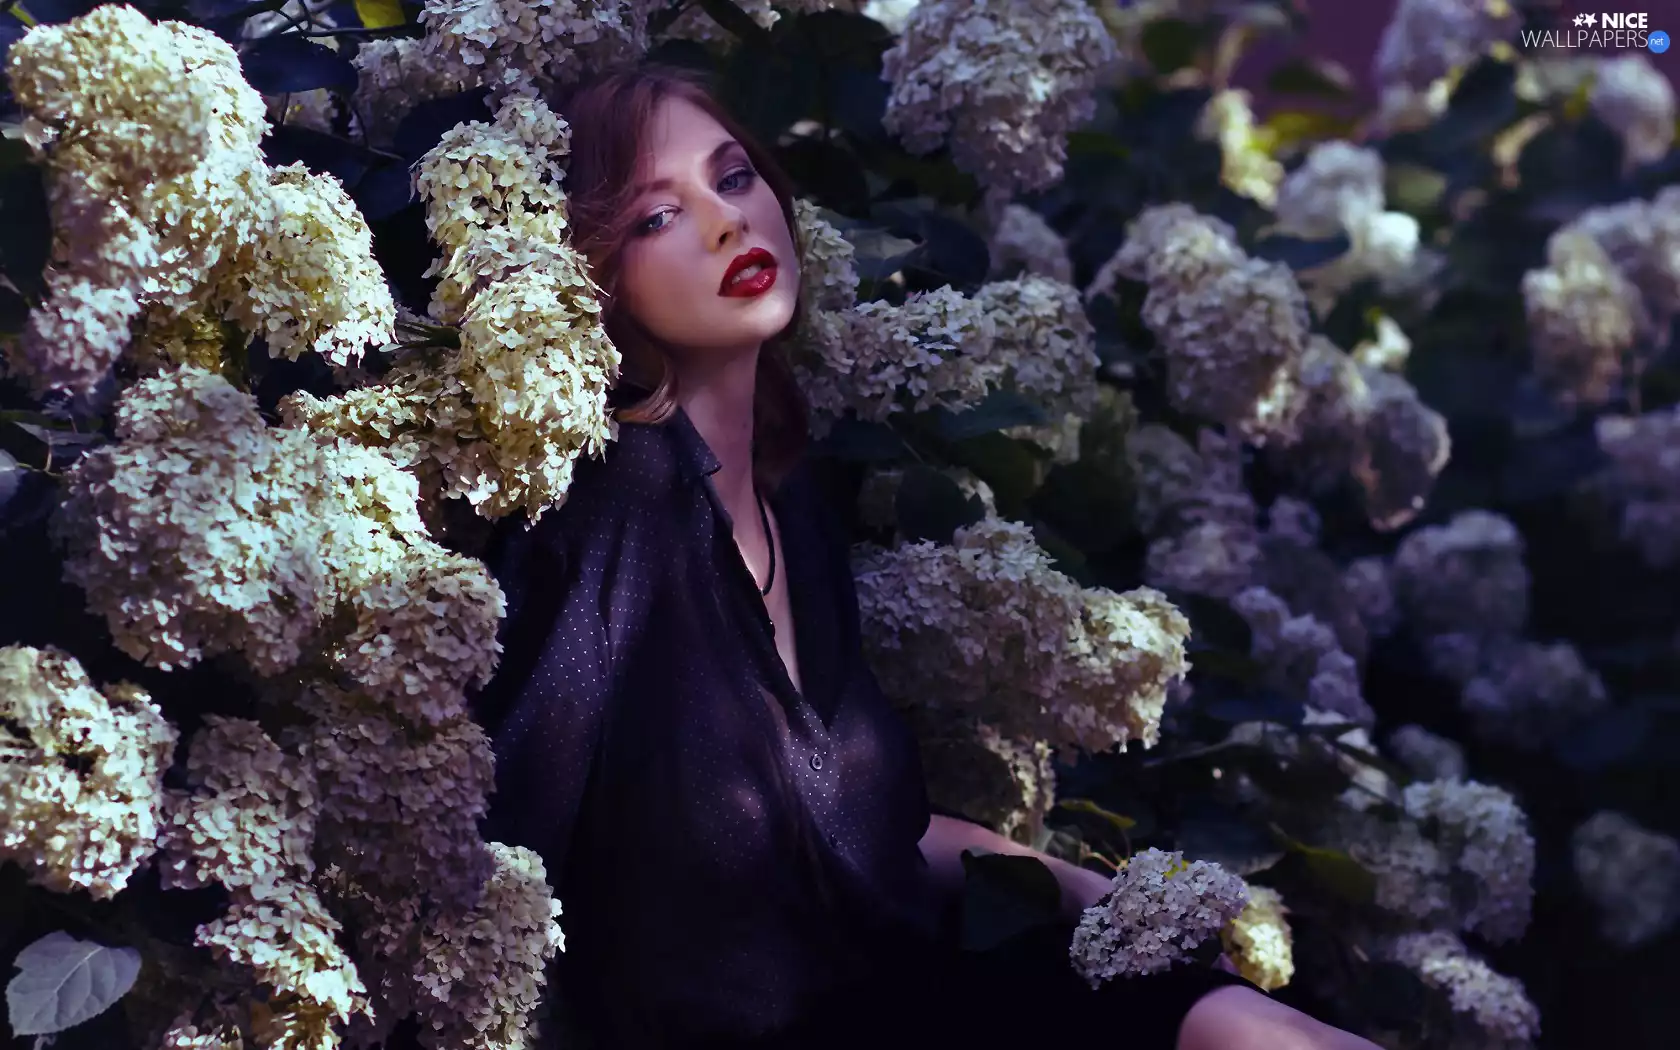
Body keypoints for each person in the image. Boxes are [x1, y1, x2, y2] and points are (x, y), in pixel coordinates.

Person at [472, 63, 1383, 1050]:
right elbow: (497, 877)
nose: (725, 223)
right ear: (595, 275)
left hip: (923, 992)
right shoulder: (611, 516)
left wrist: (1108, 898)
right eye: (656, 217)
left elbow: (874, 838)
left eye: (733, 177)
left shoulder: (796, 510)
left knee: (1260, 1029)